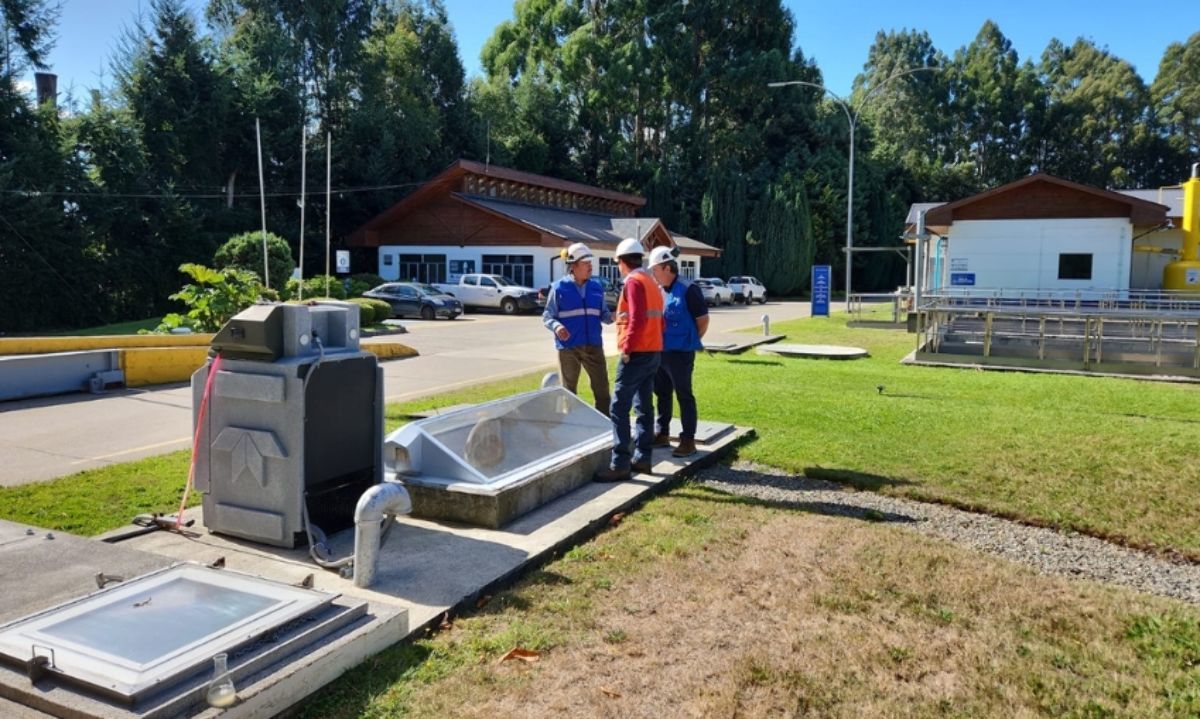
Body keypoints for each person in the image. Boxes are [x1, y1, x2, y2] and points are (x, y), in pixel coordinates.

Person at [594, 237, 664, 482]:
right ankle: (643, 459)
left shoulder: (633, 282)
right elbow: (656, 319)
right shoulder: (651, 282)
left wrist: (627, 347)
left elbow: (637, 319)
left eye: (617, 263)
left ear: (622, 262)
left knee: (619, 407)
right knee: (643, 406)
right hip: (653, 351)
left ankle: (620, 463)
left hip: (636, 353)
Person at [647, 246, 709, 457]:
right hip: (661, 352)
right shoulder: (660, 290)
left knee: (684, 395)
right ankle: (662, 433)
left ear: (666, 268)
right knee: (661, 393)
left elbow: (703, 320)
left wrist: (691, 341)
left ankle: (688, 440)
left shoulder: (689, 289)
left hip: (681, 354)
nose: (653, 275)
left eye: (655, 270)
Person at [542, 242, 613, 413]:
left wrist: (613, 317)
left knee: (602, 390)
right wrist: (557, 326)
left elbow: (603, 314)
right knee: (569, 391)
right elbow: (547, 316)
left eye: (590, 262)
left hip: (593, 346)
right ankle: (571, 425)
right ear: (573, 266)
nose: (590, 266)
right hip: (568, 348)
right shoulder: (558, 288)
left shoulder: (596, 287)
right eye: (585, 263)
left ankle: (604, 424)